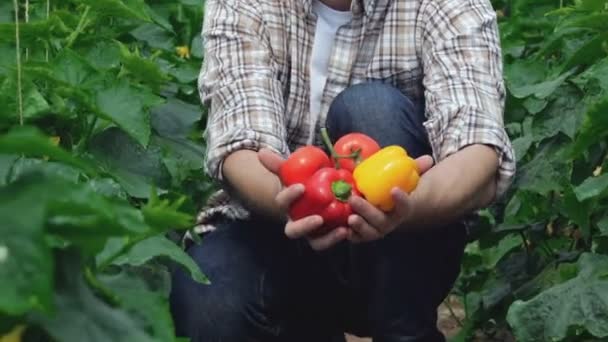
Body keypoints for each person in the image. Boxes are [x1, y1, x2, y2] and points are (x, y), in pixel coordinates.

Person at [170, 0, 515, 340]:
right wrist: (289, 199)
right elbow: (240, 143)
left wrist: (410, 203)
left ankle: (405, 334)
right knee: (211, 299)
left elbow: (477, 145)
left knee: (370, 108)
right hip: (272, 227)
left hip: (403, 248)